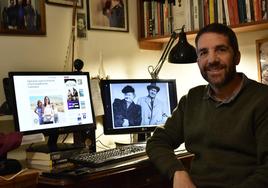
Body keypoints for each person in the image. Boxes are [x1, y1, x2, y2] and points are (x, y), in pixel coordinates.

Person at [146, 23, 268, 188]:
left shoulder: (262, 100)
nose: (212, 60)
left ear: (237, 57)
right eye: (204, 52)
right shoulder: (191, 99)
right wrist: (177, 172)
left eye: (221, 50)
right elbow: (157, 141)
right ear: (198, 61)